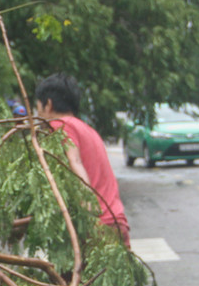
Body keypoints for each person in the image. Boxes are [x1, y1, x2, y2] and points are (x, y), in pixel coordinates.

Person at [33, 72, 130, 247]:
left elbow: (74, 162)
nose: (37, 115)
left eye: (38, 107)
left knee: (69, 274)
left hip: (95, 226)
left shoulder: (59, 126)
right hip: (116, 221)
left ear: (48, 104)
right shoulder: (88, 130)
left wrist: (88, 207)